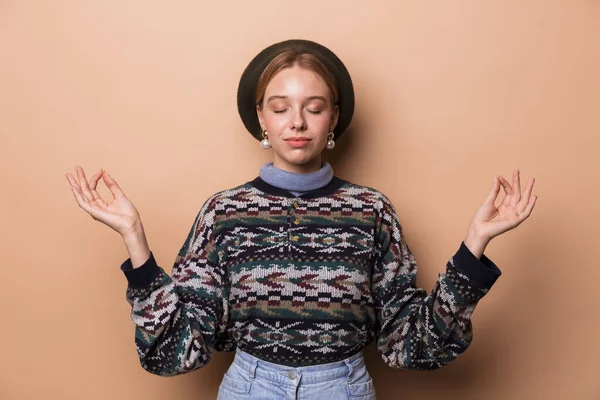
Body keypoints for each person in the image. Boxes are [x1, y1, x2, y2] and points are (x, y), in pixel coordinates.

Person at [66, 39, 537, 400]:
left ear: (333, 120)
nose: (297, 122)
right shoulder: (224, 212)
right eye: (280, 108)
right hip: (250, 387)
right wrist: (135, 241)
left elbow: (412, 345)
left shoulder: (371, 211)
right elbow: (176, 352)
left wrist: (473, 247)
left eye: (314, 108)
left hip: (343, 387)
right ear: (261, 120)